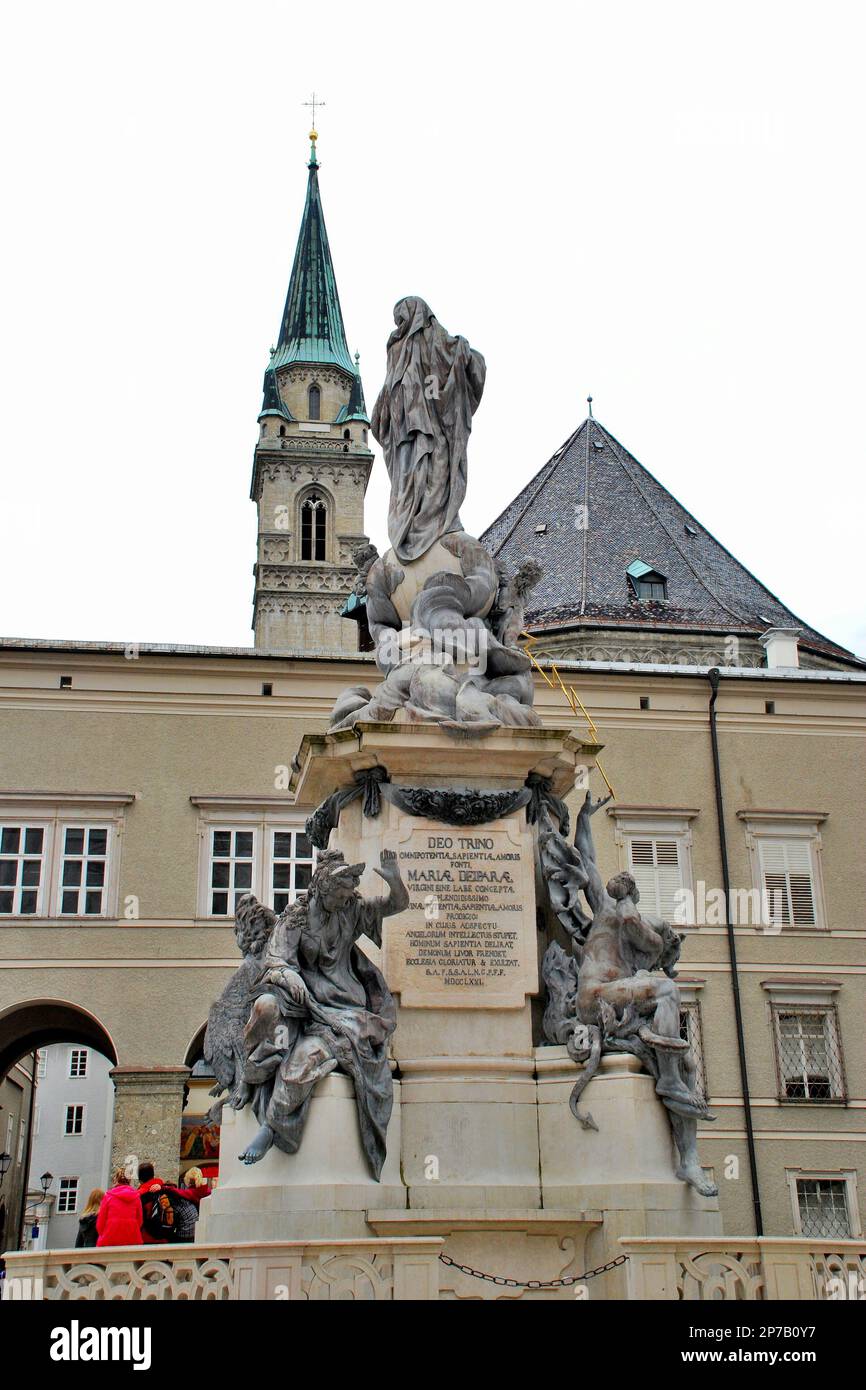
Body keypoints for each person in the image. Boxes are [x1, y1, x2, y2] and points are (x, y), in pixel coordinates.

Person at [96, 1170, 143, 1246]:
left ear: (116, 1180)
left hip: (109, 1240)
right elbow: (140, 1221)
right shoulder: (136, 1197)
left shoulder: (108, 1196)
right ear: (129, 1181)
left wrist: (105, 1233)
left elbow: (100, 1223)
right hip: (132, 1239)